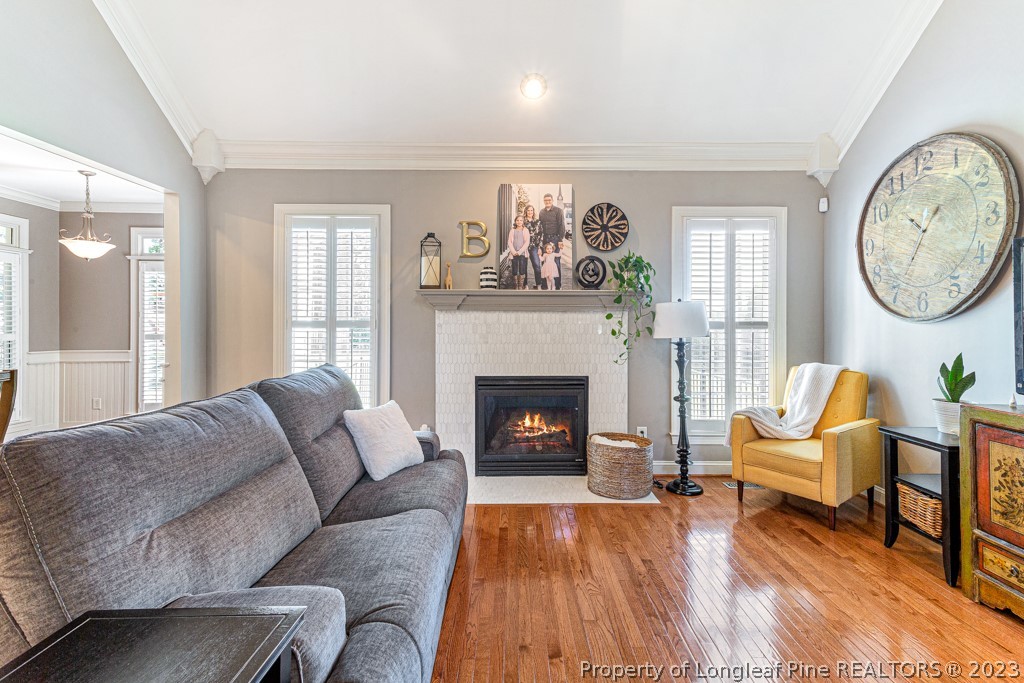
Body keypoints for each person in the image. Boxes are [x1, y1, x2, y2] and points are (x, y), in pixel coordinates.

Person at [537, 193, 566, 289]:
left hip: (555, 239)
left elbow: (561, 225)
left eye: (549, 200)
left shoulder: (558, 211)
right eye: (545, 200)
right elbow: (540, 227)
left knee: (556, 262)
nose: (547, 202)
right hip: (545, 239)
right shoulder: (541, 212)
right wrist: (540, 241)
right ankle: (545, 285)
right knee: (544, 262)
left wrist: (560, 239)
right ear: (543, 201)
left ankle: (557, 286)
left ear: (552, 200)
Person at [506, 214, 531, 290]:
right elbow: (509, 242)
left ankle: (521, 285)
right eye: (517, 220)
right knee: (514, 269)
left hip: (522, 253)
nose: (519, 222)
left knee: (522, 269)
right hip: (514, 253)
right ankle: (516, 285)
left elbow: (527, 242)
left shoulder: (525, 230)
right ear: (515, 221)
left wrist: (520, 252)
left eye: (521, 220)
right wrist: (513, 252)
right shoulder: (512, 230)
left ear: (523, 222)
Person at [523, 204, 543, 289]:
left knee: (537, 265)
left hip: (534, 246)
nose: (530, 212)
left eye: (531, 210)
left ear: (533, 211)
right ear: (526, 211)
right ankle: (525, 285)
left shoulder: (538, 222)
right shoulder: (522, 222)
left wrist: (540, 247)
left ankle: (539, 284)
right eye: (528, 210)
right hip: (524, 246)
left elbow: (541, 234)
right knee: (524, 266)